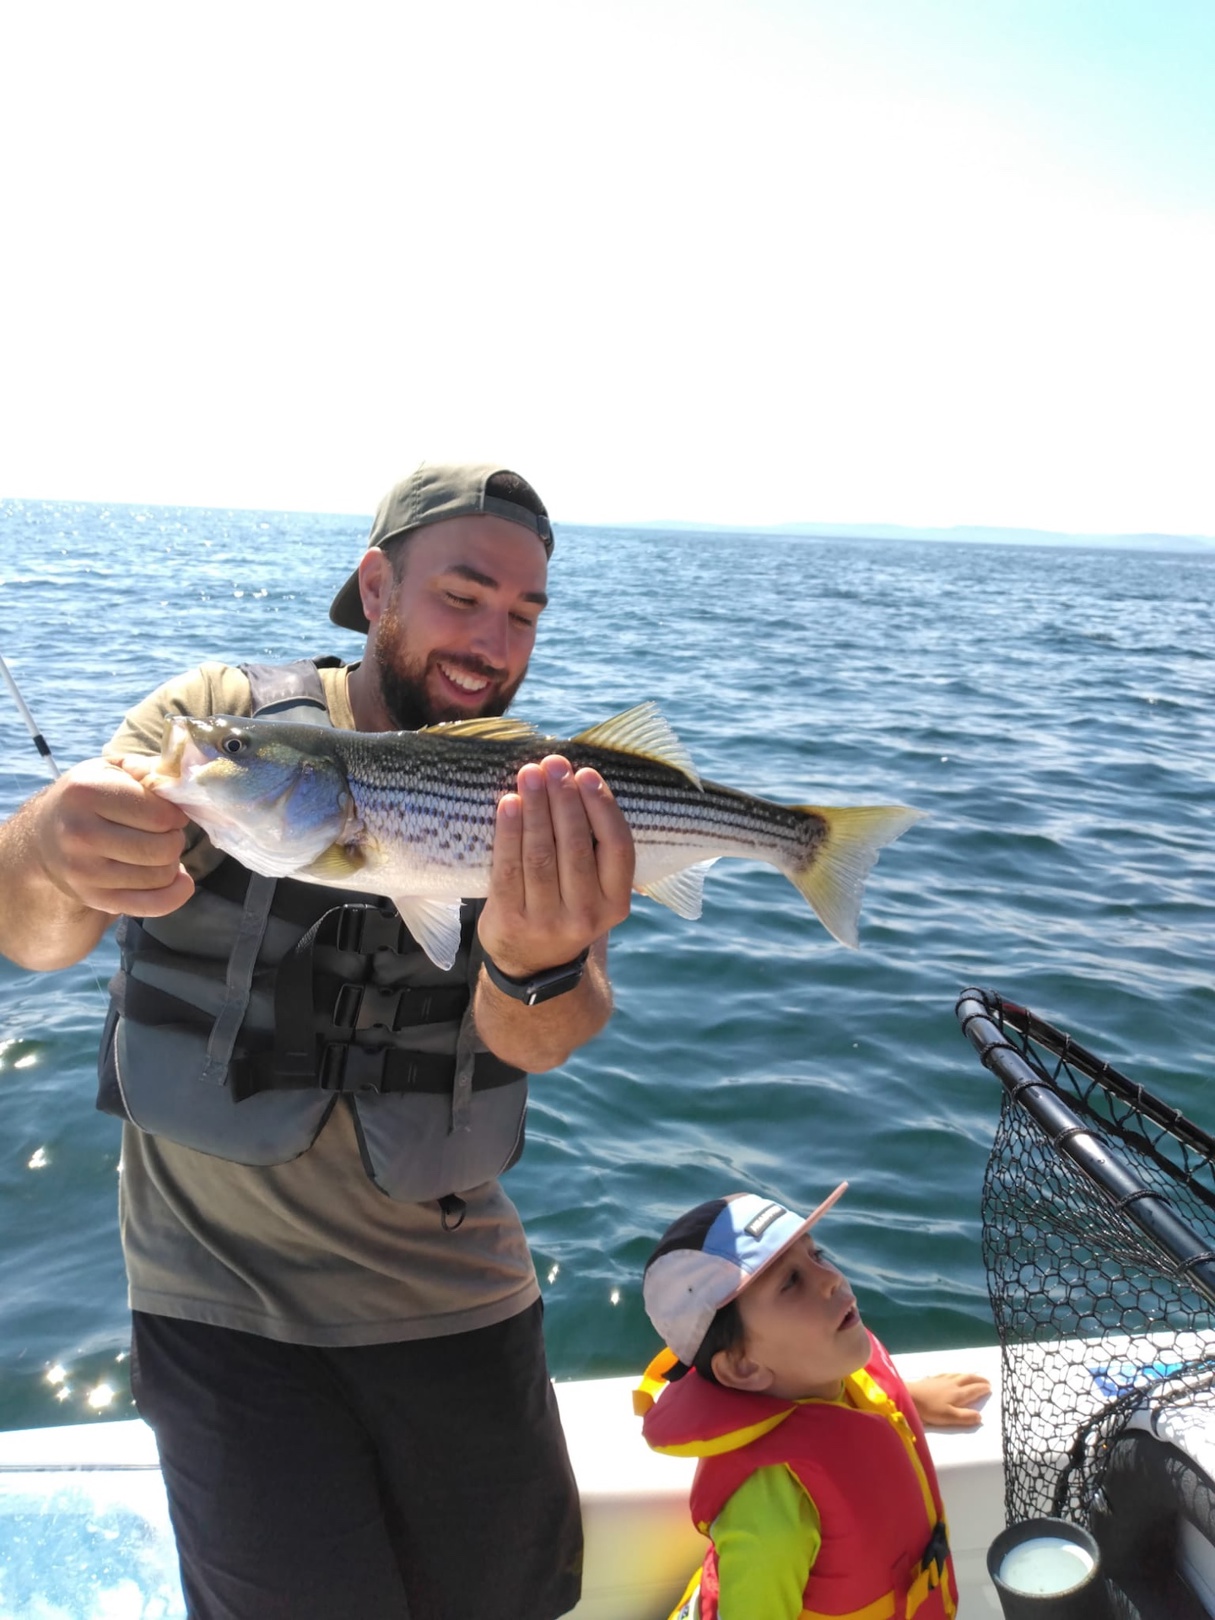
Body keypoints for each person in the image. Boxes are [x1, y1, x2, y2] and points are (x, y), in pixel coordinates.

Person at [0, 462, 637, 1620]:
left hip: (465, 1299)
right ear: (377, 586)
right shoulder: (221, 725)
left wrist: (534, 963)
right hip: (220, 1307)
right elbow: (37, 939)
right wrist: (45, 842)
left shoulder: (529, 784)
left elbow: (549, 1035)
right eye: (464, 595)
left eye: (525, 614)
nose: (492, 641)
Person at [635, 1183, 991, 1620]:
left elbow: (854, 1405)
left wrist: (910, 1398)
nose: (830, 1278)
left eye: (816, 1254)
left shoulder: (817, 1368)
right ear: (743, 1367)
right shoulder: (769, 1514)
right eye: (790, 1283)